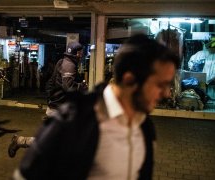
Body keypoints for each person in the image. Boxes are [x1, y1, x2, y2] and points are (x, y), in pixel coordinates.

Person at [13, 34, 180, 180]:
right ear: (129, 80)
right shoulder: (73, 122)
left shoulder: (145, 128)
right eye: (160, 85)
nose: (166, 94)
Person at [7, 42, 88, 157]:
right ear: (75, 53)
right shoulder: (69, 65)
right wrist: (81, 87)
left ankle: (20, 142)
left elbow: (52, 83)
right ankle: (20, 142)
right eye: (80, 53)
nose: (81, 55)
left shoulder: (62, 61)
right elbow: (68, 86)